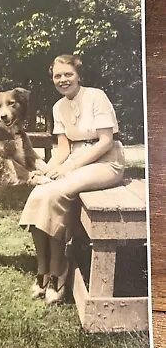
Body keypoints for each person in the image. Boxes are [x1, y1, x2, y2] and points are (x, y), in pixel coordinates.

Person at [19, 54, 125, 305]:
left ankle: (59, 269)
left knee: (56, 194)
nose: (63, 80)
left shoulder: (96, 96)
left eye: (68, 74)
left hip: (106, 161)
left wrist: (70, 168)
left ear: (78, 75)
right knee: (39, 193)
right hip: (74, 161)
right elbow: (63, 150)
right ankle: (42, 270)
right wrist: (46, 171)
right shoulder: (58, 107)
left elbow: (105, 141)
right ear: (52, 79)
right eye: (57, 75)